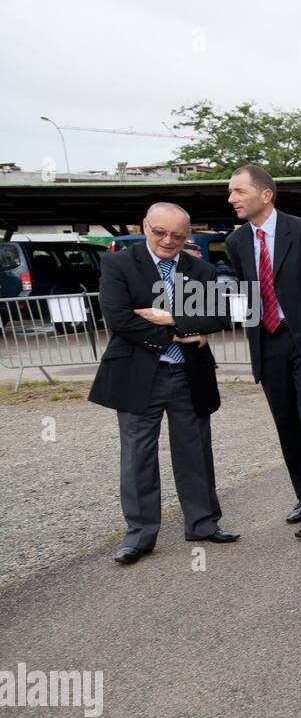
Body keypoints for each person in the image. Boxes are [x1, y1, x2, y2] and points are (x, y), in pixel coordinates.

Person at [89, 202, 239, 564]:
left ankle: (203, 522)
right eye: (160, 232)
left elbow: (218, 316)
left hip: (189, 375)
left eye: (177, 235)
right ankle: (139, 536)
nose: (168, 241)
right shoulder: (118, 264)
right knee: (138, 457)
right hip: (139, 376)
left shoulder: (200, 269)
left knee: (195, 451)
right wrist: (183, 332)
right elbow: (120, 319)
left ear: (187, 235)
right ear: (145, 226)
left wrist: (170, 318)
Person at [227, 165, 301, 540]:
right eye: (231, 192)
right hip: (268, 342)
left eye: (239, 191)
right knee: (288, 425)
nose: (232, 199)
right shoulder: (236, 242)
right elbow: (245, 296)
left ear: (265, 195)